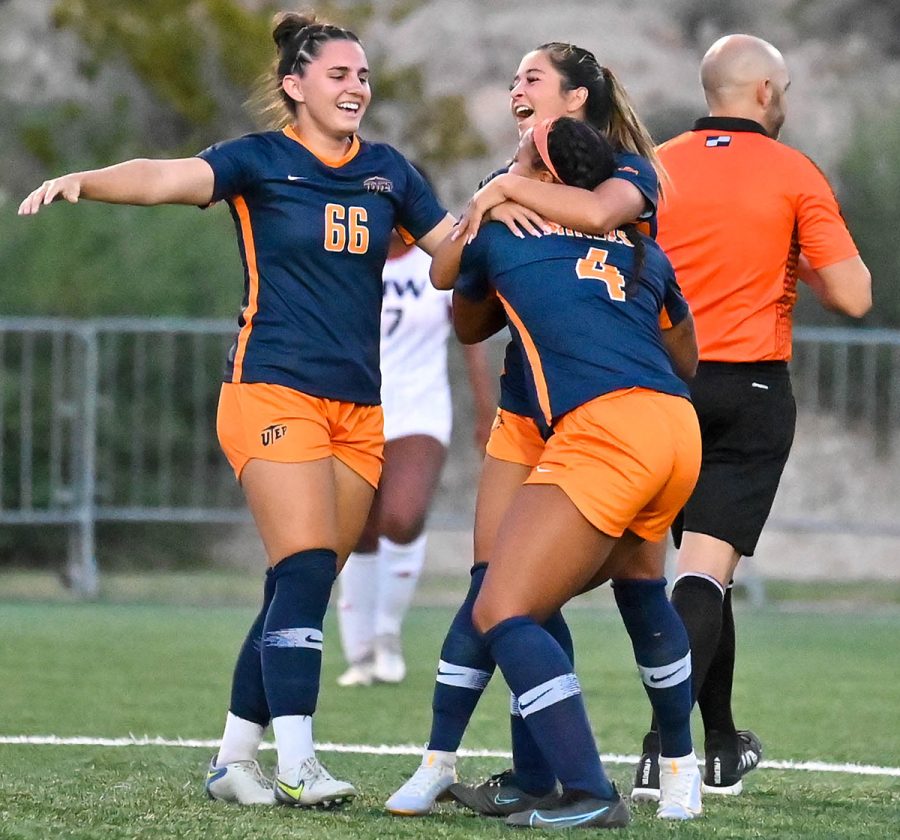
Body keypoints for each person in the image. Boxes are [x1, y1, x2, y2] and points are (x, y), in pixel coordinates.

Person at [19, 10, 455, 809]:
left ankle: (231, 761)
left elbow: (452, 255)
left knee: (306, 581)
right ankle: (297, 761)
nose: (357, 86)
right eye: (338, 74)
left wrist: (508, 209)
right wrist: (87, 180)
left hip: (359, 408)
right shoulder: (259, 160)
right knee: (301, 567)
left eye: (362, 74)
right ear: (295, 85)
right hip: (269, 389)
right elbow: (163, 175)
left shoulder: (391, 171)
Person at [385, 42, 669, 818]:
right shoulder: (501, 185)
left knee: (521, 600)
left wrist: (512, 193)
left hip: (601, 412)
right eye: (512, 79)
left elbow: (605, 214)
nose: (515, 89)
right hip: (530, 412)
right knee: (497, 591)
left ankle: (644, 772)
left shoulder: (623, 169)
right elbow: (457, 295)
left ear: (575, 100)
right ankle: (478, 768)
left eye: (531, 78)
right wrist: (490, 206)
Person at [431, 116, 703, 828]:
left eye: (523, 150)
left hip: (605, 431)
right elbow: (686, 356)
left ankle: (585, 792)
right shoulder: (645, 249)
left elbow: (450, 293)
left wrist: (491, 197)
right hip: (676, 427)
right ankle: (678, 768)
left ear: (545, 173)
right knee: (644, 589)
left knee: (500, 607)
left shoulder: (503, 231)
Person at [630, 33, 872, 802]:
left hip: (663, 386)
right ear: (766, 93)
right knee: (704, 572)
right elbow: (855, 295)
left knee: (704, 573)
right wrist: (788, 248)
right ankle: (658, 752)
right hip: (750, 391)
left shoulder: (656, 166)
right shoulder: (793, 171)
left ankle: (722, 746)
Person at [335, 221, 495, 687]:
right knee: (356, 528)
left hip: (421, 409)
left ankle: (387, 636)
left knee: (402, 518)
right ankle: (359, 654)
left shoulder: (436, 263)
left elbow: (470, 341)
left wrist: (486, 412)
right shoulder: (354, 260)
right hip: (357, 404)